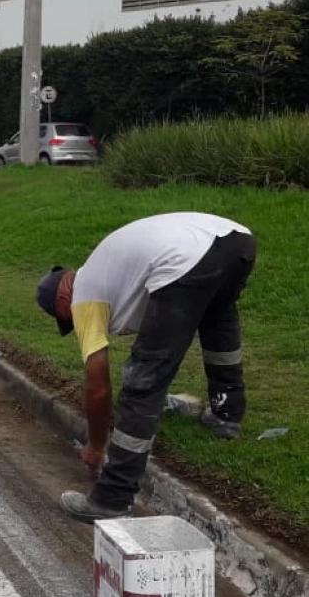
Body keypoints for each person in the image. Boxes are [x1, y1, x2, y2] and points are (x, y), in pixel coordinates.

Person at [36, 211, 256, 523]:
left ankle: (113, 497)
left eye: (64, 318)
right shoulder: (106, 268)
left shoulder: (83, 295)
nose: (70, 321)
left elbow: (98, 388)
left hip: (184, 260)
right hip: (236, 242)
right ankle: (226, 416)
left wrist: (97, 445)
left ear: (61, 298)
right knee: (219, 328)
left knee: (142, 383)